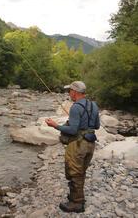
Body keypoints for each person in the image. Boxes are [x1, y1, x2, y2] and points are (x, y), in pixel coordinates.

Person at [45, 81, 100, 213]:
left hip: (78, 144)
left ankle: (76, 203)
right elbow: (96, 126)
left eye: (70, 91)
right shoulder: (93, 105)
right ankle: (76, 197)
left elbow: (73, 130)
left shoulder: (75, 107)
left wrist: (55, 125)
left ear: (74, 92)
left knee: (74, 173)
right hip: (90, 143)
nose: (69, 93)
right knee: (81, 171)